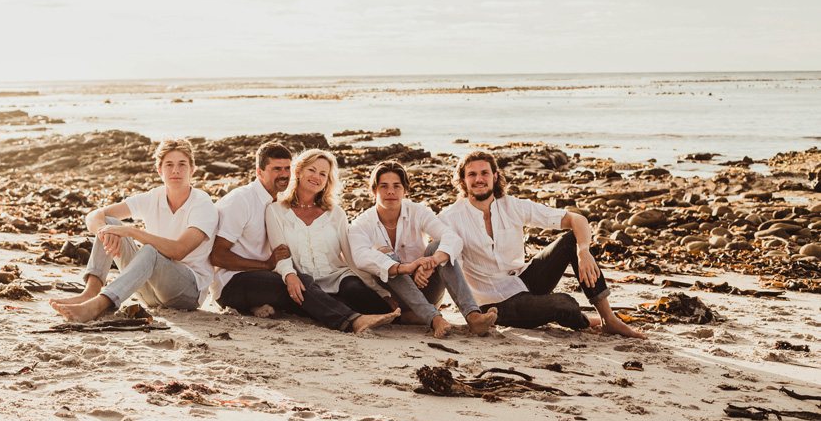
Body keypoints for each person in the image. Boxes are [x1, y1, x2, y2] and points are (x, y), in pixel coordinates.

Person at [439, 151, 645, 339]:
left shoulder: (512, 205)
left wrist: (583, 250)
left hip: (524, 280)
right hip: (494, 304)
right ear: (463, 181)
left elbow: (577, 220)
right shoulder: (450, 218)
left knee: (572, 240)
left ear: (494, 176)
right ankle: (583, 321)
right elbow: (438, 258)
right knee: (565, 304)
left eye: (484, 173)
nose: (479, 179)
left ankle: (609, 319)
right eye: (472, 174)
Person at [51, 138, 218, 322]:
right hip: (150, 293)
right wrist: (105, 231)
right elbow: (94, 215)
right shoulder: (154, 196)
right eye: (169, 165)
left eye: (182, 164)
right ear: (160, 170)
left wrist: (132, 232)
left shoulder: (202, 204)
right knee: (109, 222)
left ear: (192, 169)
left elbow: (178, 251)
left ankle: (100, 305)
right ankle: (90, 293)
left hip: (187, 292)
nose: (176, 170)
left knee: (150, 250)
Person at [349, 161, 498, 338]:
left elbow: (453, 238)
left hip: (426, 288)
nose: (390, 191)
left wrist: (431, 262)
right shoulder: (361, 223)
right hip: (394, 298)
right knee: (383, 253)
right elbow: (360, 257)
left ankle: (473, 316)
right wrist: (406, 268)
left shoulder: (417, 211)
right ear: (374, 191)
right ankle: (433, 318)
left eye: (397, 186)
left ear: (405, 190)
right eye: (384, 186)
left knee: (438, 246)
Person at [265, 149, 401, 333]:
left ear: (327, 181)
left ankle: (401, 316)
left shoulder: (336, 213)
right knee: (324, 301)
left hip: (338, 276)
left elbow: (351, 257)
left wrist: (379, 292)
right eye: (312, 170)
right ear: (298, 172)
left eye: (323, 174)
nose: (317, 177)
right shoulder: (275, 210)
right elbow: (279, 254)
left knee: (356, 291)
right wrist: (290, 275)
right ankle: (359, 320)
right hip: (304, 280)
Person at [210, 142, 295, 317]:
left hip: (263, 278)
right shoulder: (242, 200)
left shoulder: (281, 201)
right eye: (277, 169)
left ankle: (254, 306)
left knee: (304, 282)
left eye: (287, 168)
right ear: (259, 171)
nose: (284, 174)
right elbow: (217, 255)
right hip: (231, 283)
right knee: (298, 285)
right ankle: (348, 318)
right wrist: (266, 264)